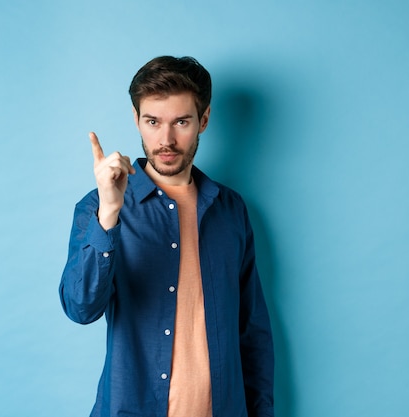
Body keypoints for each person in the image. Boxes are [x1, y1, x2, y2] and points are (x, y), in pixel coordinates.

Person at [60, 55, 274, 417]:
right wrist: (110, 214)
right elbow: (80, 308)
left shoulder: (231, 210)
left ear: (203, 120)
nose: (166, 140)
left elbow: (251, 330)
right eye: (153, 122)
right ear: (136, 119)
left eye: (181, 122)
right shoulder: (97, 208)